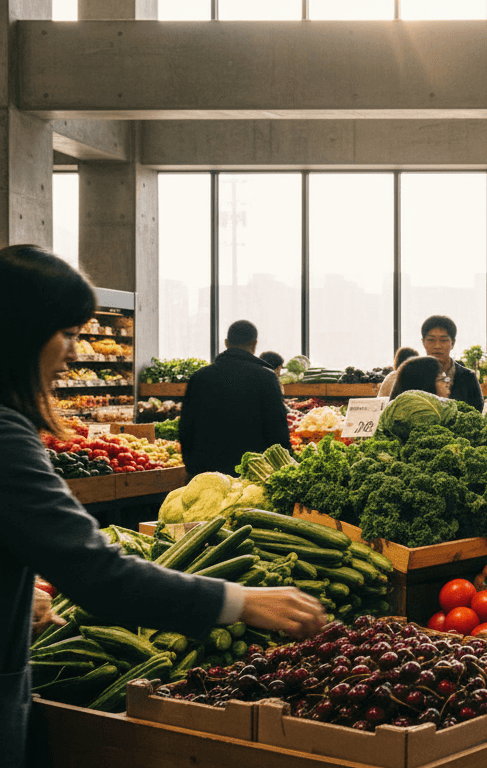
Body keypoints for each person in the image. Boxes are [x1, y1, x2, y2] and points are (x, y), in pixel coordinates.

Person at [0, 245, 325, 762]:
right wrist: (243, 601)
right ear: (20, 333)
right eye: (67, 333)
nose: (71, 351)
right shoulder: (6, 438)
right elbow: (98, 574)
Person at [179, 320, 291, 477]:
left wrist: (193, 470)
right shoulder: (266, 378)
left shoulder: (199, 377)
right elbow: (277, 431)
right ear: (255, 344)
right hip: (250, 477)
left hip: (205, 474)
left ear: (226, 343)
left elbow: (185, 429)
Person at [377, 316, 484, 411]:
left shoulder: (468, 377)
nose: (437, 346)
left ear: (453, 343)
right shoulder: (409, 373)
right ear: (423, 342)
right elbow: (393, 408)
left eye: (443, 340)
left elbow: (476, 413)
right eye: (431, 340)